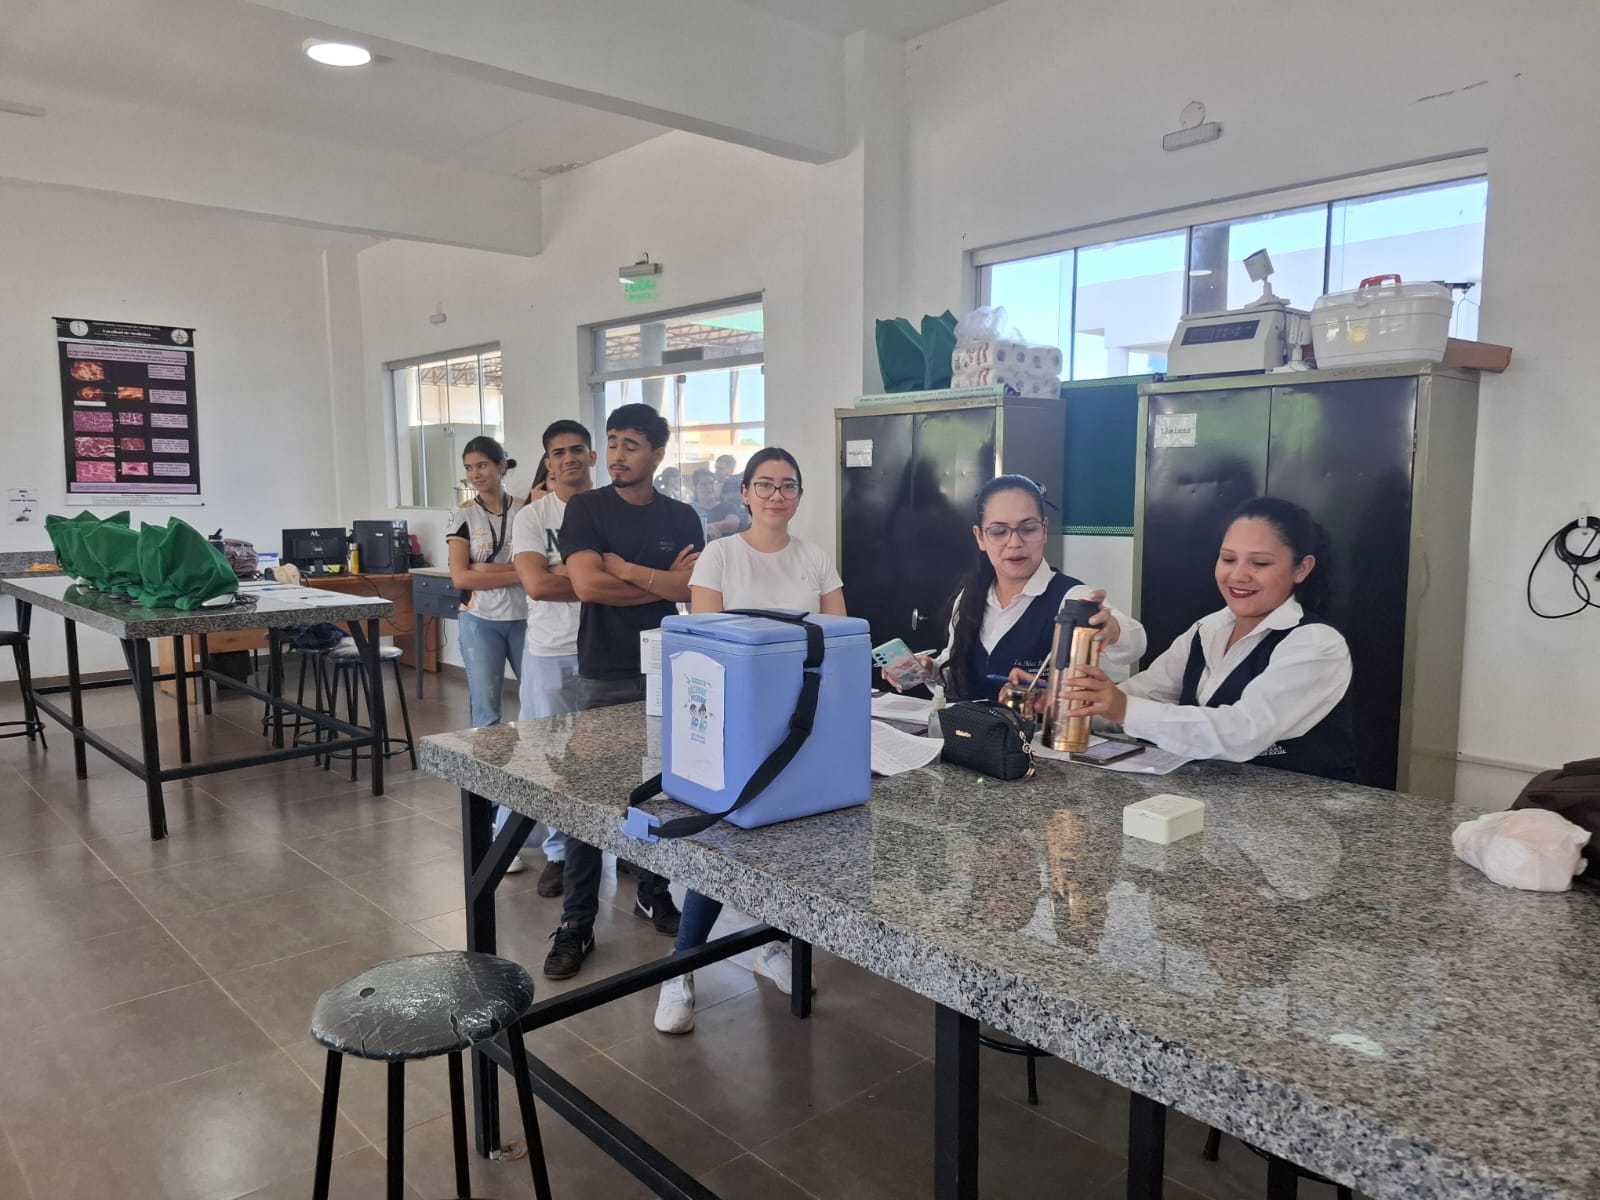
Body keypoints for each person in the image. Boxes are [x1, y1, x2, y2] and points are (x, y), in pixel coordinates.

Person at [654, 447, 845, 1034]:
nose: (776, 496)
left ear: (799, 495)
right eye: (765, 485)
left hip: (803, 722)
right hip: (731, 724)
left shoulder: (815, 558)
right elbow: (706, 646)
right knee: (722, 843)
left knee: (795, 841)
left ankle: (775, 946)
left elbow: (839, 640)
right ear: (745, 492)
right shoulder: (720, 555)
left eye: (788, 486)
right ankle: (680, 969)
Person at [544, 402, 705, 980]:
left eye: (630, 445)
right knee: (587, 797)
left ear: (657, 454)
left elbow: (692, 589)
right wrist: (660, 584)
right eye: (611, 442)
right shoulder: (587, 508)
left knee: (659, 791)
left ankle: (652, 890)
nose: (616, 455)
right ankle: (576, 920)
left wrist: (629, 571)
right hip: (605, 670)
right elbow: (588, 585)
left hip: (667, 672)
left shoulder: (682, 516)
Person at [1047, 496, 1358, 782]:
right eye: (1228, 559)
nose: (1238, 575)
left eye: (1260, 563)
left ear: (1302, 568)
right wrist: (1062, 704)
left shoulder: (1317, 644)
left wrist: (1123, 708)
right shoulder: (1207, 629)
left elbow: (1244, 731)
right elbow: (1149, 693)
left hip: (1303, 810)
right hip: (1217, 800)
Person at [916, 474, 1144, 702]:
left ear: (1044, 530)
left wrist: (1112, 630)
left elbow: (1135, 644)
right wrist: (930, 670)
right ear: (980, 538)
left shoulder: (1072, 598)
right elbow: (955, 672)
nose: (1015, 543)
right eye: (999, 531)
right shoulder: (970, 596)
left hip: (1040, 726)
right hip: (966, 723)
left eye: (1028, 528)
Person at [506, 419, 596, 889]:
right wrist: (596, 579)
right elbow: (536, 585)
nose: (569, 458)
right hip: (550, 649)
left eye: (577, 449)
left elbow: (556, 577)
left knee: (606, 754)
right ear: (548, 463)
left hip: (604, 649)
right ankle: (558, 852)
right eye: (558, 452)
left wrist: (563, 573)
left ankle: (608, 847)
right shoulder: (532, 517)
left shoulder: (610, 510)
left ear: (592, 456)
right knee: (548, 755)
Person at [447, 437, 526, 729]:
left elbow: (542, 567)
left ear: (501, 465)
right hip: (480, 619)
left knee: (536, 700)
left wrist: (486, 571)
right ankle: (486, 758)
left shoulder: (525, 510)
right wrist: (519, 573)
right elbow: (461, 577)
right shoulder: (462, 514)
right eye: (469, 468)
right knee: (487, 710)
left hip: (525, 617)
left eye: (482, 465)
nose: (475, 475)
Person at [690, 468, 741, 541]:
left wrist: (707, 528)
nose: (709, 487)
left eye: (712, 483)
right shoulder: (689, 509)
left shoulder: (728, 507)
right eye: (703, 484)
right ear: (695, 488)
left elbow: (733, 523)